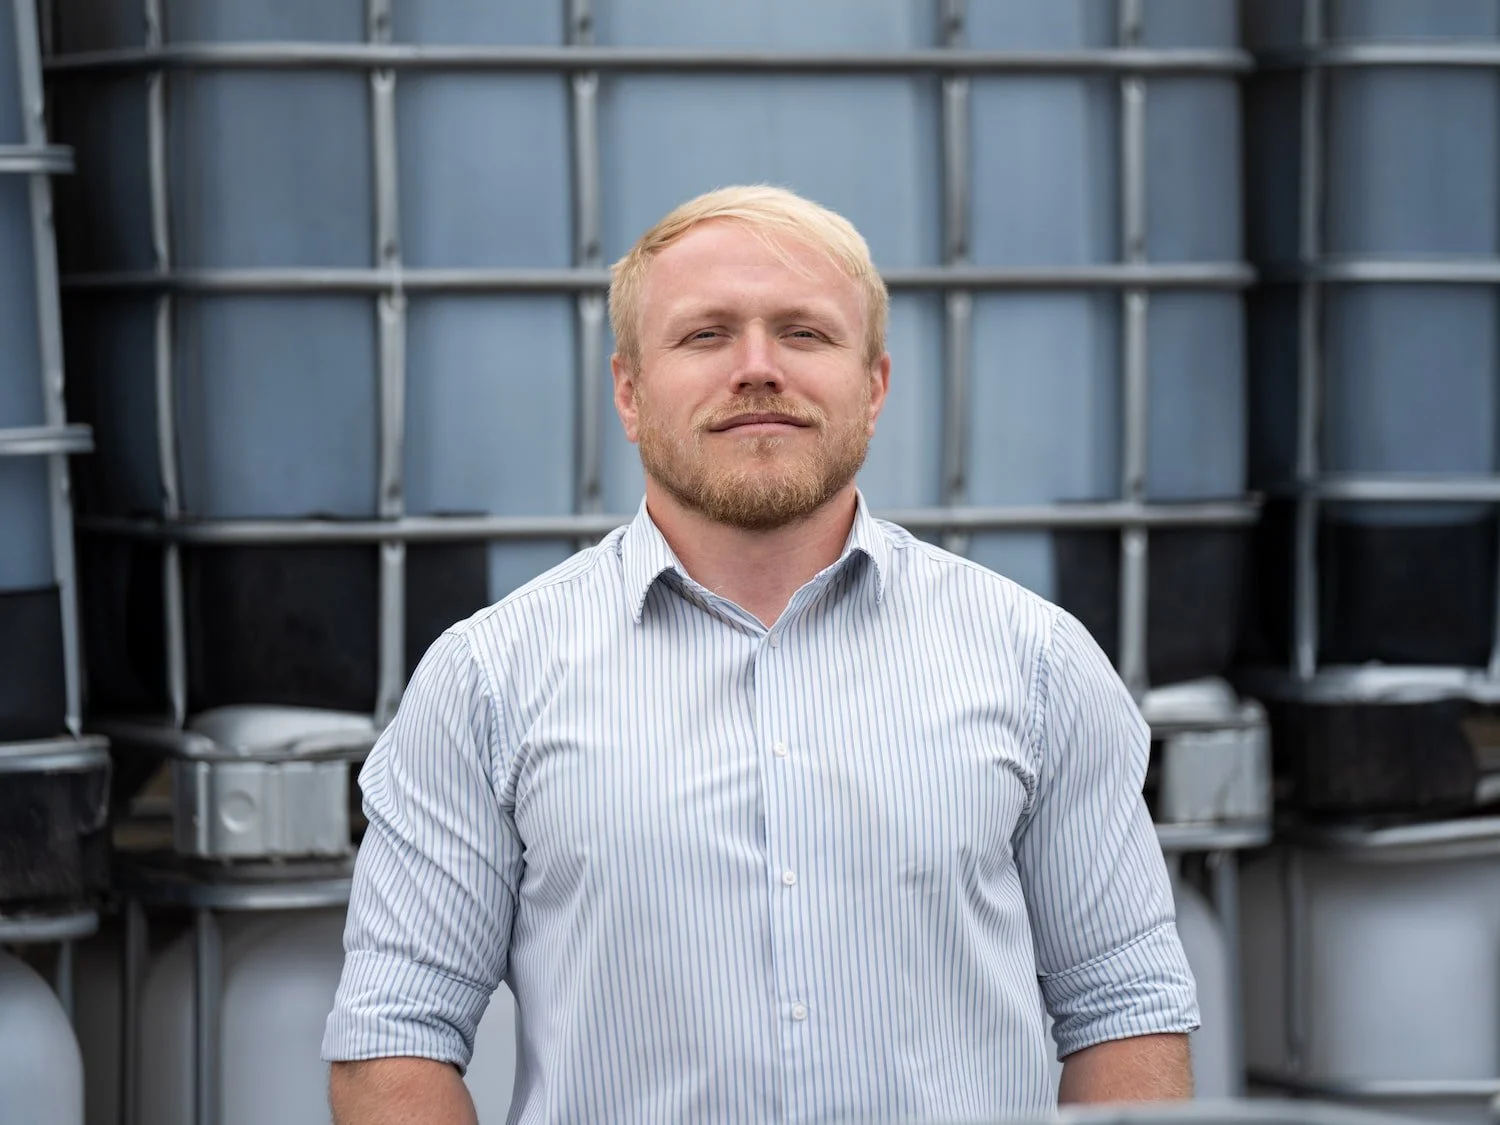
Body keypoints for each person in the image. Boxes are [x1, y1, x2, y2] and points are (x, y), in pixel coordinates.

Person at [323, 185, 1198, 1124]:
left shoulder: (1038, 664)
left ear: (874, 385)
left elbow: (1125, 1012)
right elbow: (395, 1040)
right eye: (705, 336)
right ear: (627, 390)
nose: (757, 368)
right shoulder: (486, 681)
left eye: (805, 334)